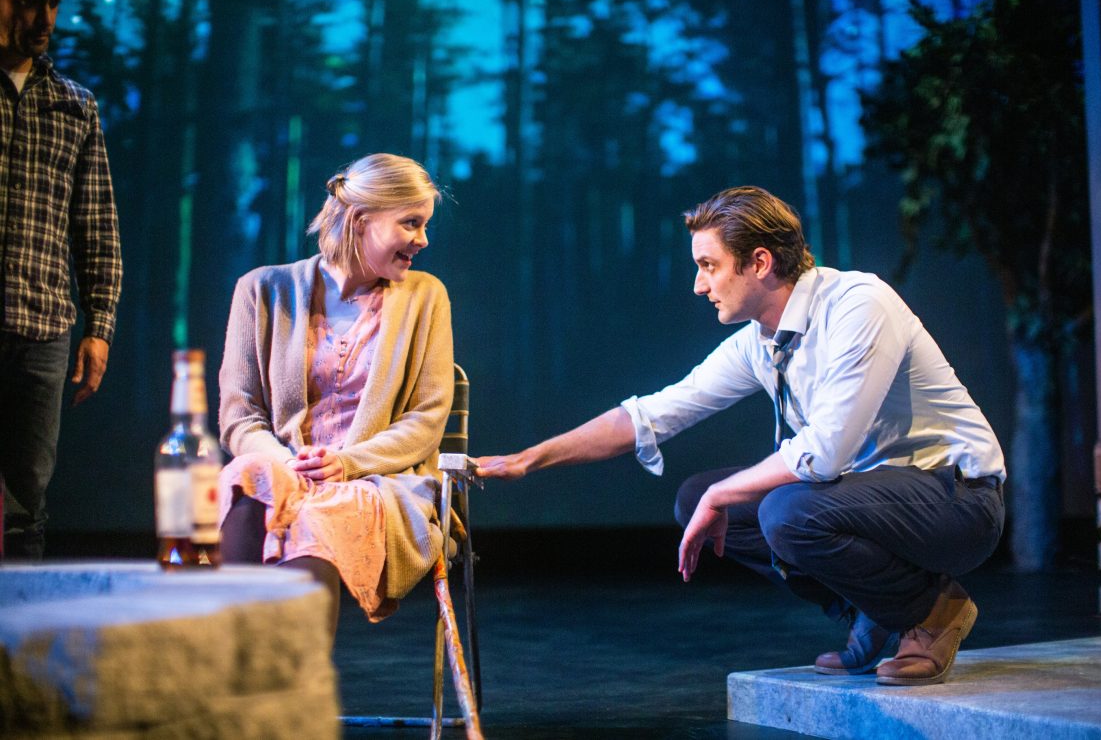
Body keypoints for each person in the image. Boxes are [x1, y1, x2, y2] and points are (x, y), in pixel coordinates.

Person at [478, 186, 1006, 686]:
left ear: (759, 262)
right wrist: (529, 459)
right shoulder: (760, 341)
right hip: (870, 503)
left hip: (956, 500)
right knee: (699, 499)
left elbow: (825, 451)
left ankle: (932, 612)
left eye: (709, 266)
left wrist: (724, 492)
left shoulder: (858, 304)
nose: (698, 285)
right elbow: (654, 414)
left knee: (785, 510)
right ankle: (875, 607)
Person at [217, 153, 453, 638]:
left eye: (424, 225)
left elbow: (426, 420)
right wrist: (290, 465)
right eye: (411, 223)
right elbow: (239, 416)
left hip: (375, 480)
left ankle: (299, 676)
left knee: (316, 514)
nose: (423, 240)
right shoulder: (261, 290)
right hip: (283, 468)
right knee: (250, 475)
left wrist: (345, 463)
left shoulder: (425, 297)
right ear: (362, 220)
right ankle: (230, 660)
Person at [0, 0, 122, 560]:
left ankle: (19, 617)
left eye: (54, 2)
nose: (45, 17)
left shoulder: (75, 105)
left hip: (42, 328)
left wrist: (99, 327)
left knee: (26, 503)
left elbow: (96, 225)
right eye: (28, 1)